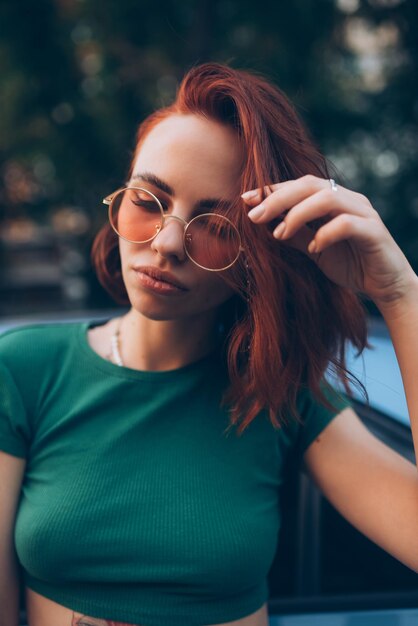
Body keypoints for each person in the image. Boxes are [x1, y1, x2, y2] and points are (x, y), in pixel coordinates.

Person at [0, 62, 417, 626]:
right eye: (148, 200)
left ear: (257, 255)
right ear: (119, 201)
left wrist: (399, 293)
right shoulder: (24, 371)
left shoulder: (277, 395)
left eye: (216, 225)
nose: (168, 242)